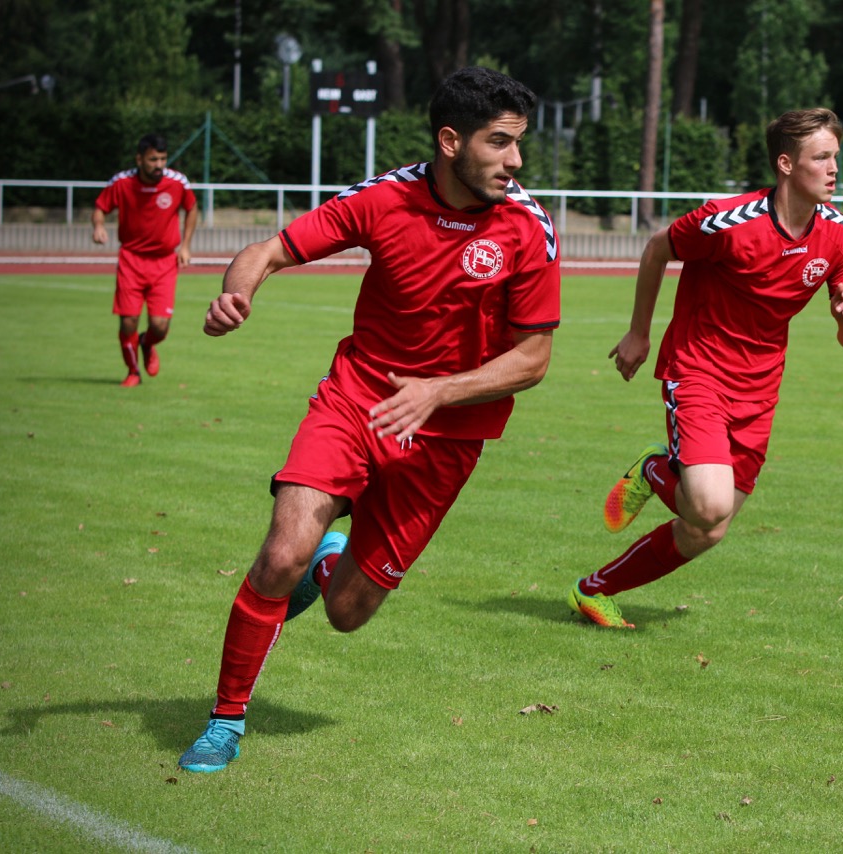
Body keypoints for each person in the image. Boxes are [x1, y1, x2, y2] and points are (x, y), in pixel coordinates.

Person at [178, 66, 560, 773]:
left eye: (518, 144)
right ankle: (225, 720)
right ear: (451, 141)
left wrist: (437, 393)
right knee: (280, 550)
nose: (516, 161)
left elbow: (533, 359)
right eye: (501, 143)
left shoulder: (527, 229)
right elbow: (267, 251)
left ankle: (331, 566)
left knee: (348, 612)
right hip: (356, 401)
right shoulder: (384, 199)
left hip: (448, 440)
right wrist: (238, 294)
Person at [568, 108, 843, 630]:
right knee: (707, 506)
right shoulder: (728, 222)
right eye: (821, 157)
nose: (833, 168)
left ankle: (594, 590)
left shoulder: (840, 236)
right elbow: (658, 247)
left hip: (760, 390)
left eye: (835, 157)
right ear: (785, 164)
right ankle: (657, 470)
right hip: (698, 371)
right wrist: (639, 332)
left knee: (709, 528)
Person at [92, 133, 199, 387]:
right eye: (153, 159)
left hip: (164, 262)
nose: (159, 164)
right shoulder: (121, 182)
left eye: (163, 158)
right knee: (128, 320)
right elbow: (100, 207)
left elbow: (192, 208)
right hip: (131, 260)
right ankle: (132, 372)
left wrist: (185, 245)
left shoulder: (177, 182)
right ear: (139, 159)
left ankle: (147, 343)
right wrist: (98, 225)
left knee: (160, 326)